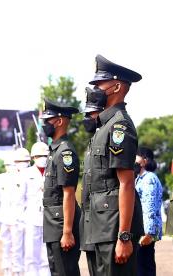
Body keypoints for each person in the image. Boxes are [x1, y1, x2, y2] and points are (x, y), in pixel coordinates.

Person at [85, 54, 144, 275]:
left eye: (100, 83)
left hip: (113, 230)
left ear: (116, 86)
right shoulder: (104, 126)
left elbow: (126, 183)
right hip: (100, 230)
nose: (95, 88)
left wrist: (124, 237)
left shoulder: (119, 126)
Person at [40, 99, 81, 276]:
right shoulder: (54, 151)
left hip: (61, 225)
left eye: (47, 120)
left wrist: (67, 232)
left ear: (59, 121)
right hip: (53, 223)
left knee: (65, 272)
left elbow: (69, 193)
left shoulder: (65, 152)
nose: (44, 125)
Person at [0, 147, 30, 276]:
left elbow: (26, 199)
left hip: (19, 219)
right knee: (6, 247)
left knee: (18, 249)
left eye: (12, 164)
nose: (10, 167)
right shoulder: (0, 178)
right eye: (7, 164)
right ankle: (7, 270)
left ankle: (18, 271)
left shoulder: (24, 177)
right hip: (4, 218)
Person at [80, 86, 105, 275]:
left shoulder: (108, 135)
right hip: (91, 222)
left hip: (105, 223)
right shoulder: (93, 141)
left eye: (91, 113)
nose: (86, 118)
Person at [23, 142, 51, 276]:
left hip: (49, 218)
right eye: (39, 155)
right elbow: (20, 198)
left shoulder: (52, 171)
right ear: (33, 157)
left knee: (46, 256)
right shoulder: (26, 173)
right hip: (31, 218)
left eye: (45, 155)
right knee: (30, 255)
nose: (42, 158)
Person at [135, 147, 163, 276]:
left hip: (145, 232)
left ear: (144, 160)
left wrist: (148, 233)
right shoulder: (139, 178)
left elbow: (149, 207)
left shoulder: (149, 179)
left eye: (136, 156)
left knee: (144, 268)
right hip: (141, 230)